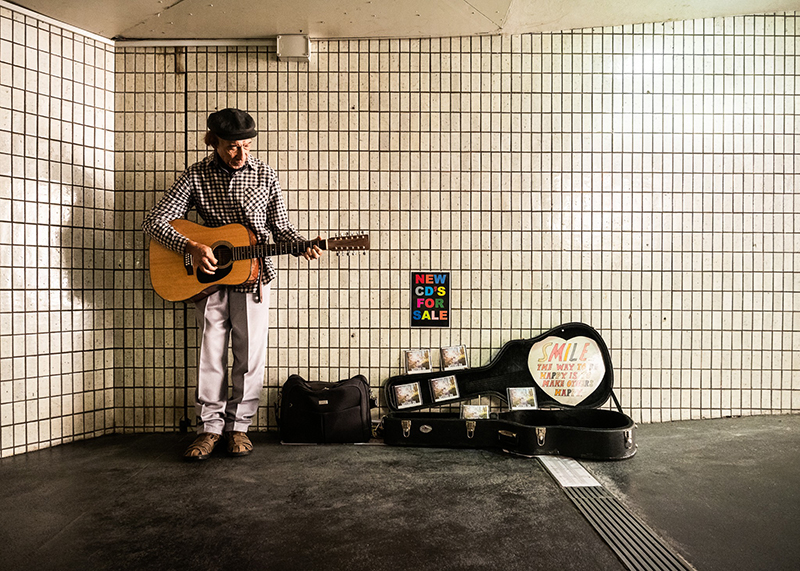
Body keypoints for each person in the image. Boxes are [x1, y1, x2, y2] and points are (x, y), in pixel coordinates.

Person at [142, 108, 322, 461]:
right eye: (231, 147)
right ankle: (209, 430)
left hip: (254, 277)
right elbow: (155, 221)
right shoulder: (196, 176)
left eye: (246, 146)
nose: (239, 154)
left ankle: (239, 429)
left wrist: (302, 244)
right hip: (209, 281)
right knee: (211, 357)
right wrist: (190, 246)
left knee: (250, 356)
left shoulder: (266, 176)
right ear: (214, 142)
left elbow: (281, 228)